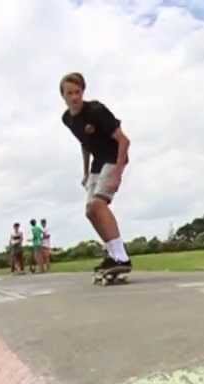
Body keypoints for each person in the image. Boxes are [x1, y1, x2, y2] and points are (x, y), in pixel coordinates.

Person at [59, 72, 132, 274]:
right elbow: (85, 144)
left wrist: (117, 172)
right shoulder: (67, 119)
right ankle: (112, 254)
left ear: (83, 92)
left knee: (98, 204)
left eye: (78, 92)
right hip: (97, 162)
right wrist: (85, 173)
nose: (74, 97)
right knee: (90, 212)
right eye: (69, 93)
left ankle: (122, 258)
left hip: (113, 157)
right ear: (63, 96)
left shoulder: (96, 110)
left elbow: (124, 141)